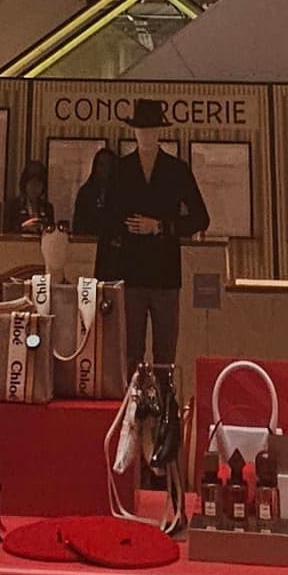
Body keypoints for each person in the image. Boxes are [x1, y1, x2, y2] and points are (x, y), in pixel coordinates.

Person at [91, 98, 208, 373]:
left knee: (165, 354)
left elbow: (200, 218)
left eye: (151, 129)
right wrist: (102, 280)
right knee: (130, 353)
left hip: (165, 275)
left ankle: (165, 409)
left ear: (159, 132)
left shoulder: (176, 170)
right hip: (130, 274)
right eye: (141, 129)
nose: (146, 135)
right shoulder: (121, 170)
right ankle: (133, 410)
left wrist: (160, 226)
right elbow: (107, 224)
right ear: (134, 132)